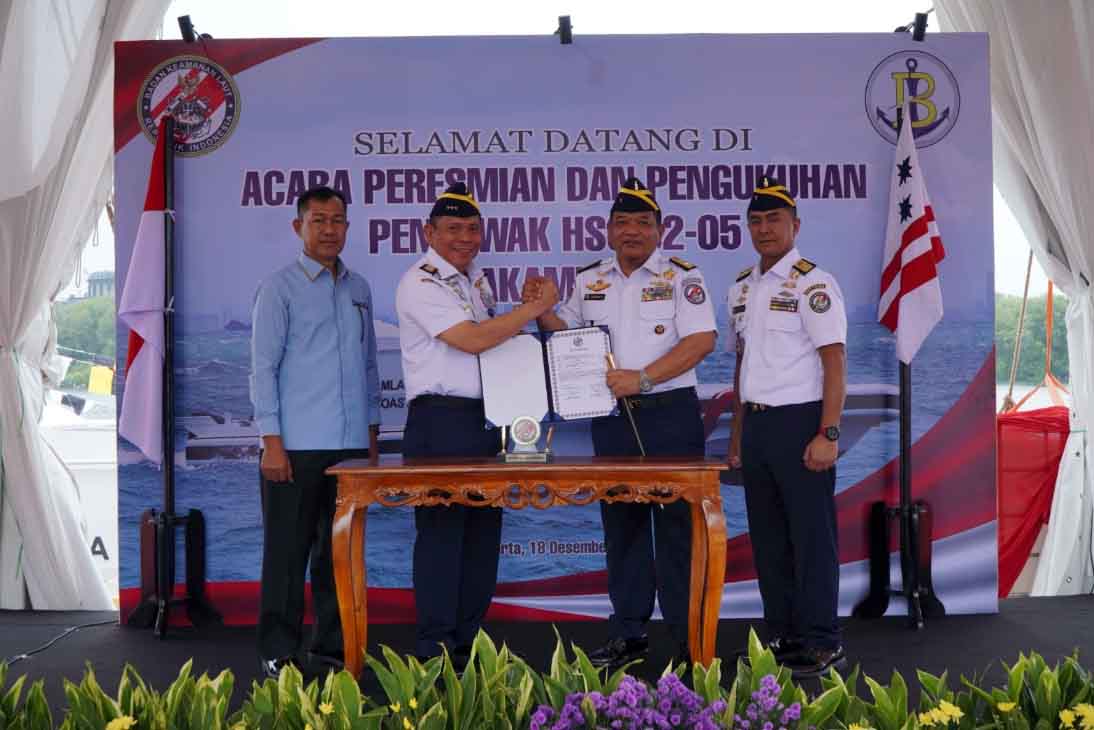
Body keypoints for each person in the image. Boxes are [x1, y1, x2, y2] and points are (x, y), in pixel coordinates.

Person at [526, 178, 717, 670]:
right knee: (623, 530)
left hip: (669, 416)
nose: (632, 231)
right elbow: (566, 335)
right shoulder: (590, 279)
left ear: (660, 230)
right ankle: (628, 635)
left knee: (677, 532)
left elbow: (701, 341)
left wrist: (643, 378)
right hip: (612, 421)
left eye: (642, 222)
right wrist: (540, 310)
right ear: (609, 230)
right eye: (623, 222)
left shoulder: (682, 276)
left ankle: (687, 642)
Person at [395, 182, 558, 663]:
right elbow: (472, 340)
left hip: (486, 420)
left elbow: (497, 343)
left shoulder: (473, 282)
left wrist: (525, 311)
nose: (463, 238)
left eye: (471, 229)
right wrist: (532, 309)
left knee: (481, 543)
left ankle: (466, 647)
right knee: (443, 542)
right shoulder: (421, 282)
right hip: (440, 423)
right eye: (452, 229)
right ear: (429, 233)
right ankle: (434, 653)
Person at [250, 185, 380, 678]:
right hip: (295, 447)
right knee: (287, 554)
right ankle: (278, 652)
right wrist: (272, 444)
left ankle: (334, 650)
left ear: (347, 226)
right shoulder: (278, 289)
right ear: (298, 227)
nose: (329, 230)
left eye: (337, 220)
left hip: (350, 448)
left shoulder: (359, 289)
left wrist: (371, 438)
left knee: (337, 556)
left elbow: (369, 367)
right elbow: (262, 370)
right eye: (318, 220)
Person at [726, 176, 848, 678]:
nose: (764, 229)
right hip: (756, 426)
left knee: (811, 539)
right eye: (755, 220)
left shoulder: (813, 284)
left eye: (774, 219)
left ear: (795, 225)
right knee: (769, 540)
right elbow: (742, 365)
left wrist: (829, 433)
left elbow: (834, 360)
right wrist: (737, 436)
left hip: (802, 424)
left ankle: (822, 640)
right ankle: (781, 635)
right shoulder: (741, 286)